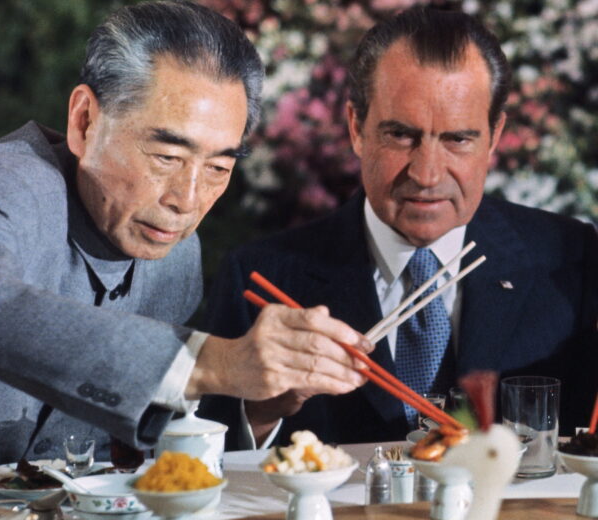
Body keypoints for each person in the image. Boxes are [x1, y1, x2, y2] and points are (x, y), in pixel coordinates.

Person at [0, 1, 373, 497]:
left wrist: (256, 406)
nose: (186, 201)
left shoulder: (175, 254)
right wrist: (211, 360)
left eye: (219, 168)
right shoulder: (1, 186)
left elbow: (148, 446)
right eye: (165, 157)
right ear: (85, 121)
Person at [199, 6, 598, 450]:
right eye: (401, 136)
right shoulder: (262, 276)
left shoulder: (571, 258)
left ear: (495, 136)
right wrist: (261, 409)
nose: (427, 174)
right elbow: (204, 464)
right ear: (356, 128)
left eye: (458, 139)